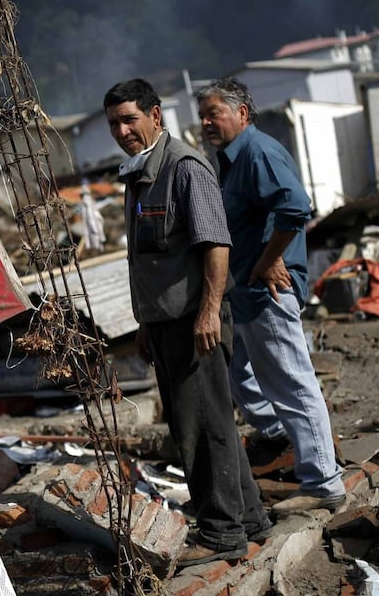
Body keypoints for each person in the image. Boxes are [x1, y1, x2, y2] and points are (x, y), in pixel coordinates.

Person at [104, 79, 271, 566]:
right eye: (115, 123)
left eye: (130, 120)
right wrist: (146, 324)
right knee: (206, 420)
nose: (122, 131)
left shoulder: (184, 168)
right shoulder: (139, 174)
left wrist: (208, 311)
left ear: (155, 115)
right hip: (166, 322)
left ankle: (220, 533)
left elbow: (215, 246)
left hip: (196, 321)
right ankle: (251, 520)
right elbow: (152, 260)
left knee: (201, 429)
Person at [195, 77, 346, 515]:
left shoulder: (257, 152)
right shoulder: (228, 159)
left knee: (293, 385)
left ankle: (323, 482)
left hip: (268, 289)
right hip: (244, 291)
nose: (206, 122)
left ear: (242, 113)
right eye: (202, 115)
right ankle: (280, 437)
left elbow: (296, 207)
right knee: (236, 375)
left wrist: (267, 259)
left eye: (214, 113)